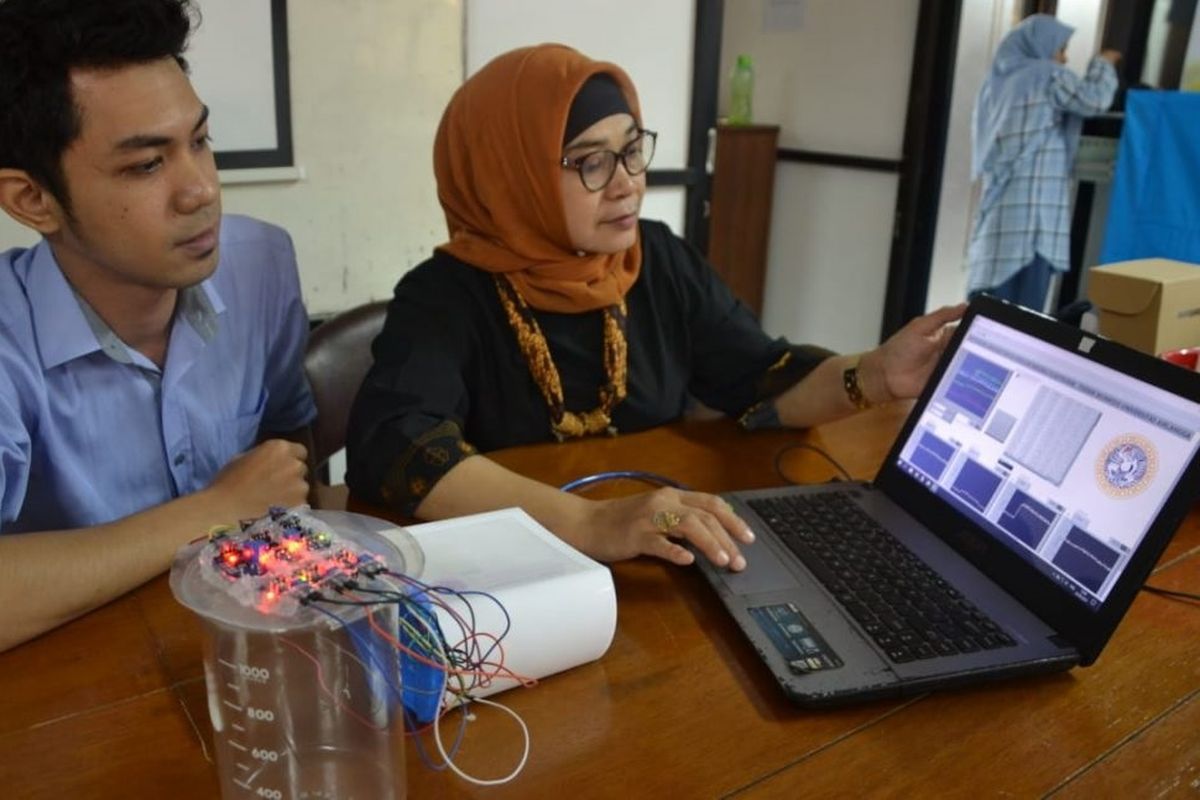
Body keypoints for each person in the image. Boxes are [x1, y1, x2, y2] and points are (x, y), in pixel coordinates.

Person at [347, 44, 963, 574]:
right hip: (518, 579)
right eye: (590, 161)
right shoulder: (447, 295)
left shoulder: (656, 260)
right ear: (512, 178)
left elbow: (760, 376)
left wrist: (875, 375)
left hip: (662, 556)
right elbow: (397, 448)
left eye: (632, 148)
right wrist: (590, 524)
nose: (627, 183)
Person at [0, 0, 315, 651]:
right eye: (147, 165)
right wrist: (214, 509)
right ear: (33, 200)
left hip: (246, 642)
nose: (200, 190)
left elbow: (286, 437)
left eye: (199, 142)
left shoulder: (261, 264)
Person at [967, 14, 1121, 309]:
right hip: (1032, 224)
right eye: (1060, 49)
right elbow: (1094, 100)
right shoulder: (1046, 75)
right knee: (1023, 324)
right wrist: (1104, 63)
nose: (1063, 60)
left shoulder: (996, 84)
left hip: (999, 217)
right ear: (1039, 47)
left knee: (988, 313)